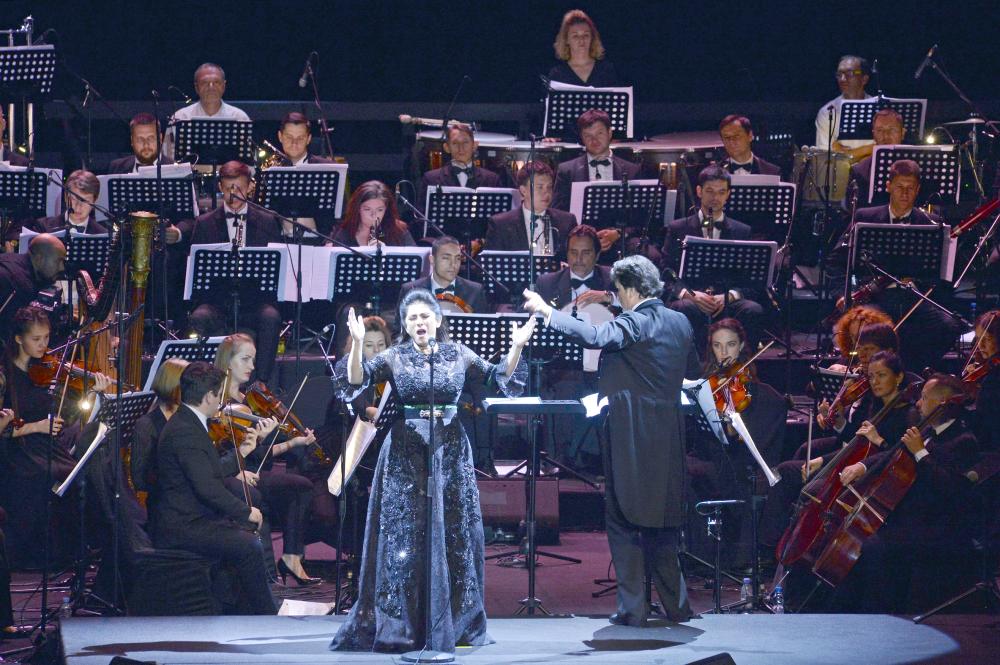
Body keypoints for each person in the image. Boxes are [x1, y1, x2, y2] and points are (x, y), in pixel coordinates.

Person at [330, 290, 533, 653]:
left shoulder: (458, 354)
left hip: (450, 450)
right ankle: (403, 624)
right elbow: (357, 380)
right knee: (404, 538)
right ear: (406, 326)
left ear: (437, 321)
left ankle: (454, 619)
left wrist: (516, 348)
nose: (419, 323)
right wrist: (358, 345)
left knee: (453, 533)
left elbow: (497, 377)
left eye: (425, 317)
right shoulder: (395, 355)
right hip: (406, 451)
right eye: (412, 319)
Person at [523, 255, 700, 626]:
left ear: (633, 289)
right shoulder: (680, 321)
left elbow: (597, 335)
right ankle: (677, 605)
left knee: (623, 518)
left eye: (618, 291)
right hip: (668, 433)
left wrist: (546, 312)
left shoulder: (635, 321)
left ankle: (633, 609)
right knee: (663, 522)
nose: (616, 299)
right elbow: (686, 371)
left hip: (632, 434)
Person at [829, 374, 978, 613]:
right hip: (907, 515)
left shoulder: (963, 441)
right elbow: (894, 453)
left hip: (934, 524)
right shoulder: (927, 430)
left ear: (942, 403)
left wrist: (921, 453)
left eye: (924, 397)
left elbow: (949, 490)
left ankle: (876, 615)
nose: (918, 403)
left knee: (871, 546)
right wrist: (862, 466)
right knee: (853, 540)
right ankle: (840, 613)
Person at [152, 361, 275, 615]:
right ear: (209, 396)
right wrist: (246, 511)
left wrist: (241, 452)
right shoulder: (185, 431)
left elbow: (209, 470)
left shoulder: (188, 422)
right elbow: (207, 487)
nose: (221, 401)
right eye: (219, 395)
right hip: (183, 526)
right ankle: (265, 614)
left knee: (244, 536)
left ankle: (240, 609)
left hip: (192, 518)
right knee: (248, 544)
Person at [214, 333, 319, 585]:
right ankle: (268, 578)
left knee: (300, 486)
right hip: (235, 476)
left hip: (253, 471)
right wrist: (235, 474)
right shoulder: (216, 402)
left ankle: (292, 558)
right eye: (245, 360)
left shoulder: (246, 403)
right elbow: (214, 452)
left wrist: (292, 442)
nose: (252, 367)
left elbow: (260, 455)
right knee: (285, 491)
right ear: (228, 362)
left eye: (253, 360)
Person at [837, 160, 961, 372]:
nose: (905, 194)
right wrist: (845, 292)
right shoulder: (865, 217)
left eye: (910, 188)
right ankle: (877, 375)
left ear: (918, 190)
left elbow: (942, 274)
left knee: (948, 325)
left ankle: (909, 372)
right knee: (872, 329)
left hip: (914, 296)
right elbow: (837, 259)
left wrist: (917, 281)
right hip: (874, 295)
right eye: (899, 187)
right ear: (888, 187)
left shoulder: (930, 222)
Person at [686, 318, 787, 568]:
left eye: (730, 345)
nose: (724, 353)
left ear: (741, 346)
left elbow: (751, 443)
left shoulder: (753, 390)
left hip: (740, 464)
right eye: (717, 346)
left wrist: (730, 425)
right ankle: (695, 554)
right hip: (712, 457)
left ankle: (717, 557)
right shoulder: (705, 384)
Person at [172, 160, 283, 382]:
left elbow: (276, 269)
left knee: (271, 317)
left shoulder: (267, 221)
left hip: (253, 300)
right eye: (228, 187)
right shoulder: (204, 223)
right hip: (218, 301)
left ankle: (260, 386)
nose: (234, 194)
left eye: (239, 187)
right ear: (220, 187)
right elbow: (195, 273)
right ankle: (200, 381)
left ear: (250, 187)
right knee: (199, 317)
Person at [661, 165, 763, 354]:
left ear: (728, 195)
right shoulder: (677, 228)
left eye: (721, 192)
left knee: (752, 310)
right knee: (683, 309)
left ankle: (740, 373)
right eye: (709, 191)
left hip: (726, 301)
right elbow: (666, 275)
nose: (715, 198)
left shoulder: (742, 231)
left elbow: (751, 282)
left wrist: (729, 296)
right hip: (692, 301)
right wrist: (689, 294)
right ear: (699, 191)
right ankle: (692, 372)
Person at [131, 358, 189, 518]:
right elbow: (139, 479)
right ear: (173, 385)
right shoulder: (146, 425)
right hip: (166, 506)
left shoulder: (186, 417)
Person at [552, 109, 641, 212]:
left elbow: (636, 214)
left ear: (610, 133)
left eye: (599, 133)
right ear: (582, 138)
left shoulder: (632, 170)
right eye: (588, 136)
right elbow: (558, 214)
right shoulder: (566, 170)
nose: (594, 140)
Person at [485, 161, 577, 256]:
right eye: (540, 187)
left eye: (549, 187)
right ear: (523, 191)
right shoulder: (501, 225)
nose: (547, 193)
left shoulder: (567, 221)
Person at [164, 63, 251, 161]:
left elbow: (248, 164)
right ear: (196, 87)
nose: (211, 87)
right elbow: (167, 159)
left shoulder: (239, 117)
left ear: (224, 85)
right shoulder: (180, 117)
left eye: (216, 82)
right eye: (205, 82)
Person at [417, 123, 501, 212]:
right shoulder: (431, 179)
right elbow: (421, 216)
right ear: (447, 147)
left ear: (474, 145)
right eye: (455, 143)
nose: (461, 148)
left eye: (465, 142)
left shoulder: (492, 179)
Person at [0, 234, 65, 342]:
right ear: (39, 259)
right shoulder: (21, 284)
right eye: (58, 261)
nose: (62, 267)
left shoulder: (10, 259)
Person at [399, 235, 488, 314]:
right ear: (432, 260)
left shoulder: (475, 291)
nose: (453, 264)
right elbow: (399, 331)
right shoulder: (410, 290)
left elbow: (485, 330)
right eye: (446, 258)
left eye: (457, 258)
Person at [815, 55, 875, 160]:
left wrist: (847, 152)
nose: (842, 79)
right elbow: (825, 155)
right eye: (839, 74)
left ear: (864, 79)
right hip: (840, 174)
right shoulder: (828, 111)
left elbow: (884, 147)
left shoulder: (880, 108)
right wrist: (869, 149)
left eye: (850, 73)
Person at [329, 180, 416, 248]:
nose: (374, 215)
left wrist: (388, 254)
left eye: (380, 210)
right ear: (357, 209)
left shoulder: (399, 231)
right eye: (367, 209)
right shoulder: (343, 232)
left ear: (387, 210)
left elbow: (415, 261)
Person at [547, 10, 619, 87]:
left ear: (592, 38)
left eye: (586, 35)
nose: (581, 40)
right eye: (575, 36)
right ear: (567, 40)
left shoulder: (606, 70)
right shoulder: (557, 74)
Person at [849, 108, 905, 205]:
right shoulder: (859, 171)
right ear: (873, 134)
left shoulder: (919, 166)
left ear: (902, 133)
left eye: (892, 130)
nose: (886, 136)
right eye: (880, 130)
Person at [31, 170, 108, 235]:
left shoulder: (102, 234)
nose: (78, 206)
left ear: (94, 200)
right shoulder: (43, 227)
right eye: (74, 199)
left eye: (85, 201)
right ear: (65, 196)